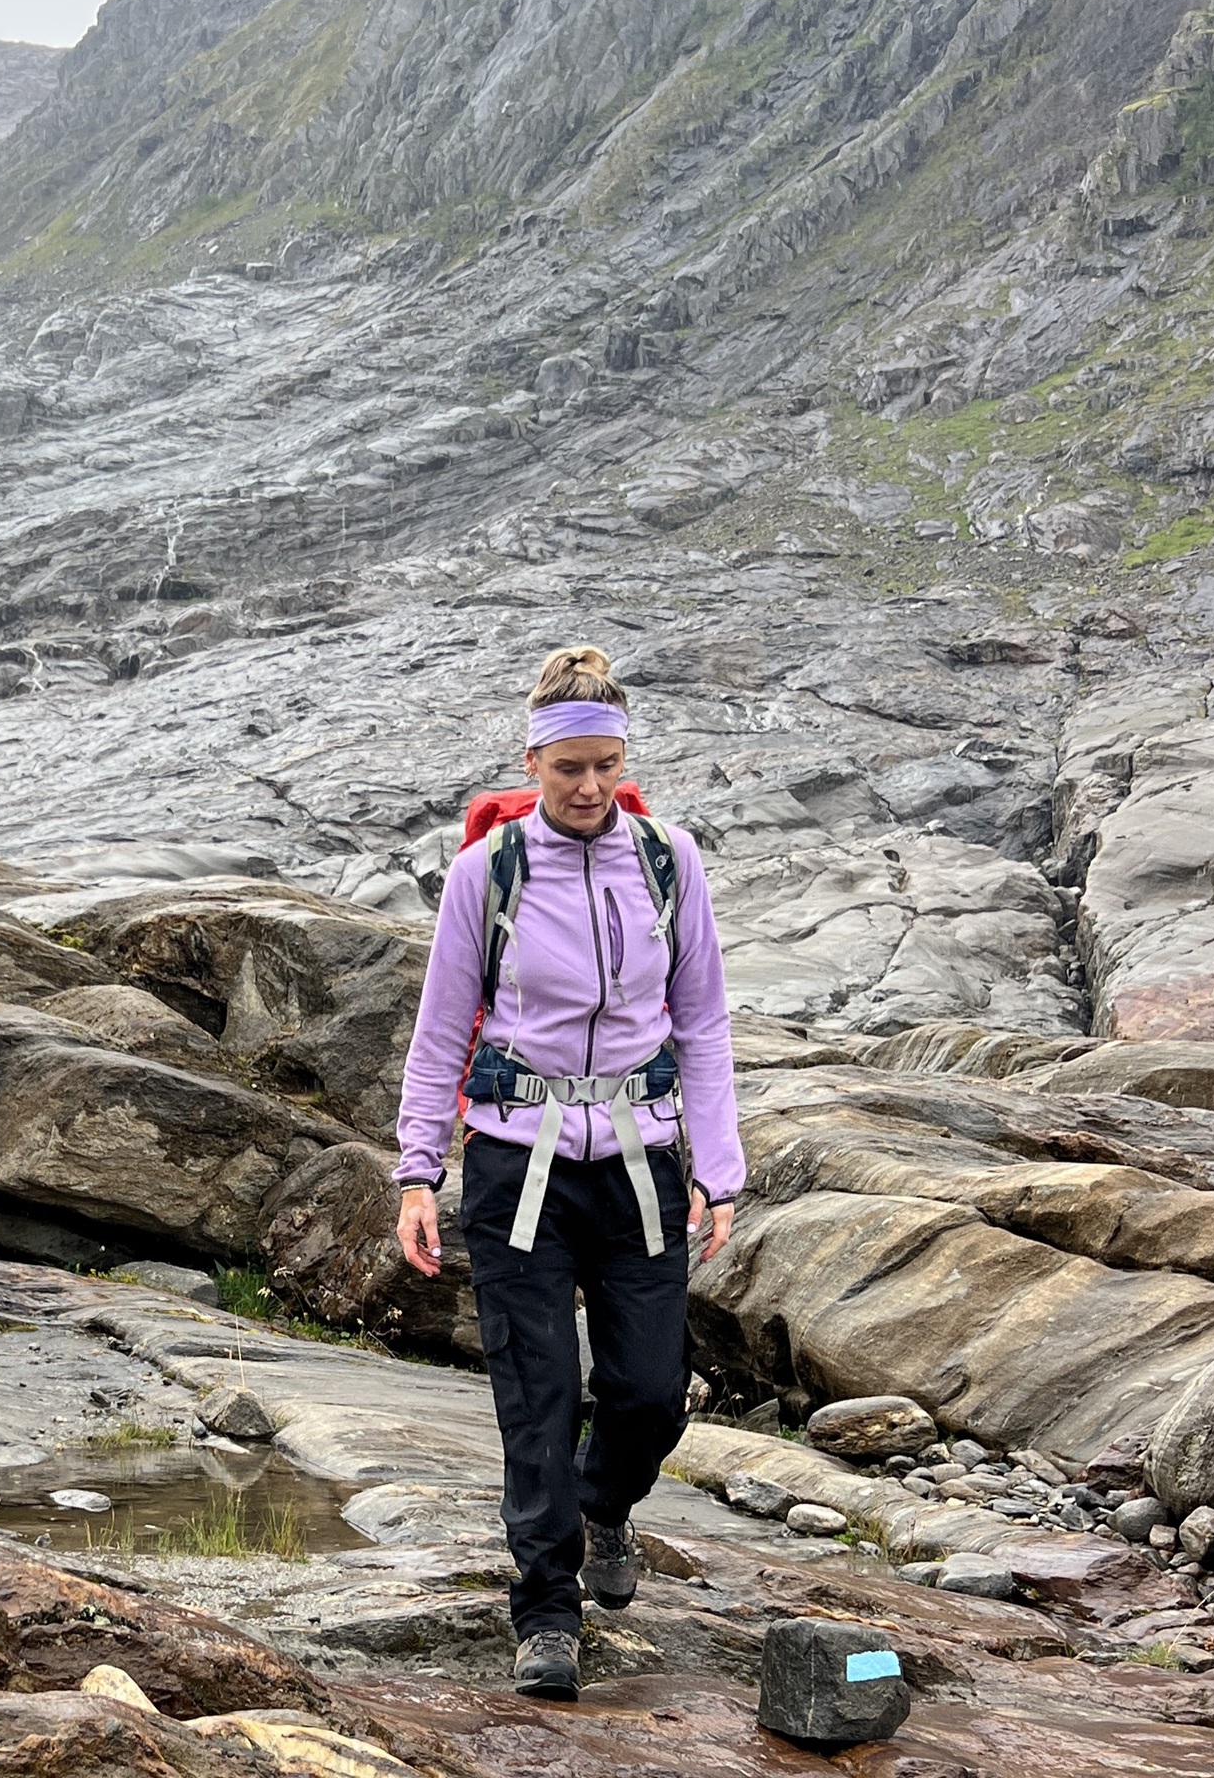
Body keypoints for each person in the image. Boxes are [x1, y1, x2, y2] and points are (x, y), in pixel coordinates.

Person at [390, 645, 744, 1702]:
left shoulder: (668, 862)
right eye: (566, 769)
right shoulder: (484, 876)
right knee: (535, 1397)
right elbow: (441, 1029)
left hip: (640, 1163)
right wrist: (417, 1171)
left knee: (647, 1392)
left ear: (623, 758)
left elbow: (705, 1024)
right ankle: (546, 1610)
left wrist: (716, 1171)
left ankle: (604, 1506)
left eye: (605, 765)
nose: (587, 787)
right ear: (533, 764)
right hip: (516, 1168)